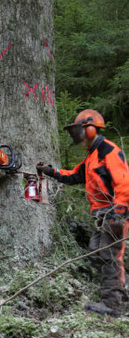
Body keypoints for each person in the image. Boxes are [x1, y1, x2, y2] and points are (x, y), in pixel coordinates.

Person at [37, 109, 129, 317]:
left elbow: (124, 182)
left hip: (114, 212)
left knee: (109, 256)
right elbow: (74, 176)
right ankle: (122, 286)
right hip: (101, 214)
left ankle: (112, 305)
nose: (78, 137)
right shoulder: (91, 157)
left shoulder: (108, 150)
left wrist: (119, 211)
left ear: (90, 129)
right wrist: (52, 171)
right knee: (96, 251)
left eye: (80, 131)